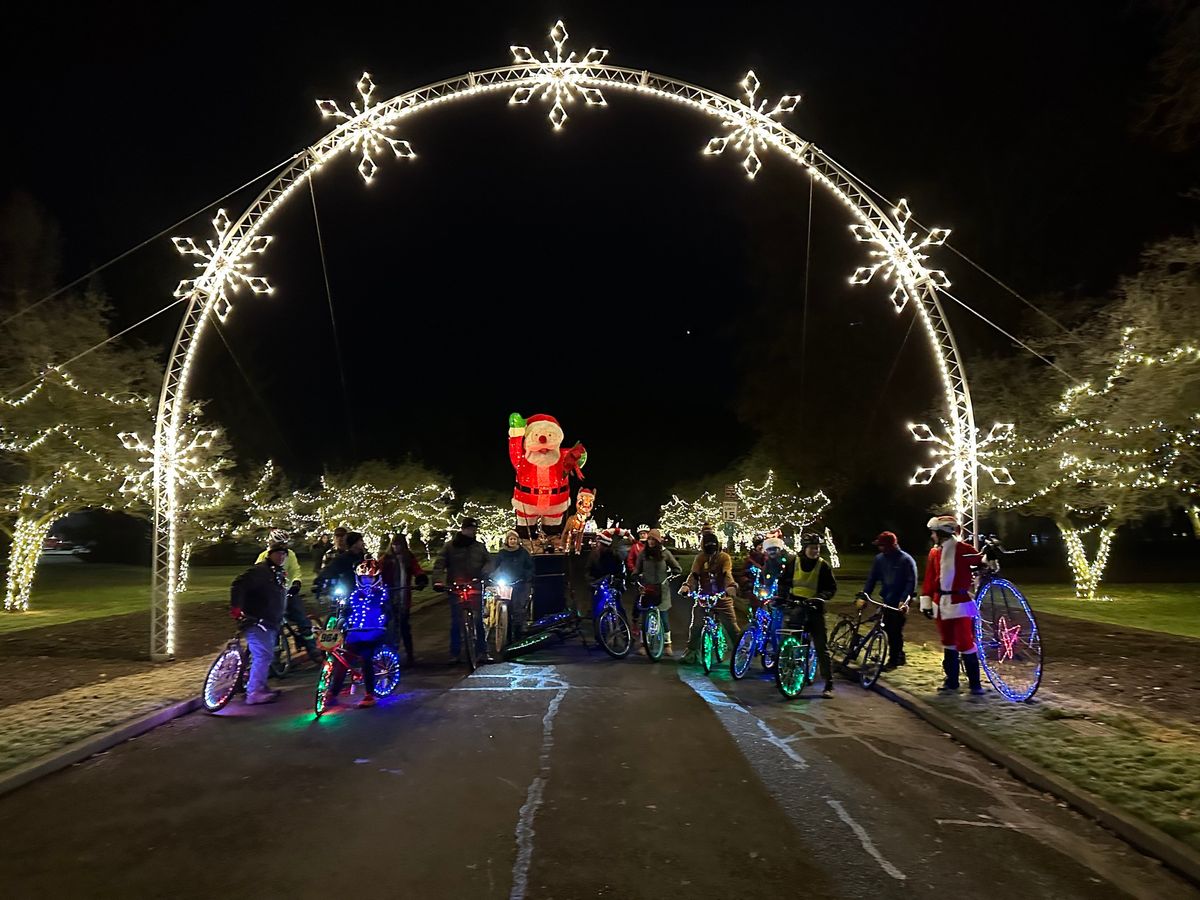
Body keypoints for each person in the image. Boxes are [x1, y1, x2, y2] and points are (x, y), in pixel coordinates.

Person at [919, 515, 985, 695]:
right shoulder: (934, 553)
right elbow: (929, 579)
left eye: (934, 533)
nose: (932, 536)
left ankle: (975, 684)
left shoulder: (964, 549)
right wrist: (926, 601)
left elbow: (981, 563)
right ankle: (951, 681)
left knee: (966, 643)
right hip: (940, 604)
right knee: (948, 643)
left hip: (960, 604)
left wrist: (988, 559)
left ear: (942, 533)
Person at [324, 559, 390, 709]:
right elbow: (347, 612)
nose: (367, 581)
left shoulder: (381, 595)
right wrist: (345, 615)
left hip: (373, 633)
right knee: (341, 661)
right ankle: (333, 693)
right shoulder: (354, 595)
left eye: (370, 578)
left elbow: (387, 613)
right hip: (355, 633)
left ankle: (369, 694)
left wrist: (383, 618)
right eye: (364, 578)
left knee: (366, 658)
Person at [229, 540, 288, 705]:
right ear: (269, 554)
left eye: (284, 554)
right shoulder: (260, 571)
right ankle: (254, 692)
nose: (281, 556)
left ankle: (260, 686)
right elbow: (238, 584)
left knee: (265, 655)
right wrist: (237, 608)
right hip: (256, 621)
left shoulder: (276, 572)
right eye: (278, 553)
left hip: (269, 621)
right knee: (263, 655)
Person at [433, 516, 493, 662]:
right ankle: (455, 653)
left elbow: (490, 561)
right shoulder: (450, 546)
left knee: (478, 620)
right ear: (463, 529)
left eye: (474, 529)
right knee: (456, 621)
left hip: (475, 585)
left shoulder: (479, 547)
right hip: (455, 586)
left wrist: (484, 573)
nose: (472, 532)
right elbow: (439, 564)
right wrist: (438, 581)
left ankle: (482, 651)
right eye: (469, 529)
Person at [256, 529, 319, 663]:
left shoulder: (290, 555)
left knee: (302, 619)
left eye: (285, 544)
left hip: (288, 592)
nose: (283, 548)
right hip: (272, 596)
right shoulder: (263, 556)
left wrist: (296, 583)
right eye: (280, 544)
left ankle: (312, 649)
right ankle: (275, 658)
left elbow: (295, 571)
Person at [788, 533, 838, 697]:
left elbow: (831, 588)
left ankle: (828, 683)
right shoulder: (794, 562)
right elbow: (784, 581)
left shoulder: (823, 566)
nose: (815, 551)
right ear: (805, 548)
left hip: (815, 609)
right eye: (812, 548)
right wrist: (782, 596)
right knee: (791, 643)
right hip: (796, 607)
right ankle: (786, 674)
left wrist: (820, 598)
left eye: (817, 548)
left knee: (821, 646)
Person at [679, 531, 739, 665]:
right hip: (704, 597)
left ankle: (741, 653)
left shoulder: (724, 557)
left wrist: (730, 587)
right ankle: (691, 652)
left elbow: (726, 573)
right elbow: (694, 575)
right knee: (696, 626)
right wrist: (687, 586)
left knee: (732, 628)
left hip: (722, 597)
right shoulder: (700, 558)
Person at [861, 531, 917, 670]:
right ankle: (898, 654)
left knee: (895, 630)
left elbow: (911, 582)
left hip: (899, 601)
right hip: (887, 598)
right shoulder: (879, 559)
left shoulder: (905, 560)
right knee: (887, 628)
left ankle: (894, 659)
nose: (880, 548)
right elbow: (872, 579)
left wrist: (904, 600)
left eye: (882, 546)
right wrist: (864, 595)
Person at [380, 533, 428, 665]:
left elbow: (417, 569)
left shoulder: (408, 558)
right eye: (394, 545)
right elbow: (378, 572)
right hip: (390, 596)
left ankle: (409, 655)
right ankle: (391, 654)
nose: (396, 547)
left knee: (404, 627)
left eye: (399, 545)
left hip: (403, 596)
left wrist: (421, 579)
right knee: (391, 628)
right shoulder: (386, 559)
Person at [634, 528, 681, 654]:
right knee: (644, 618)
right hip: (647, 588)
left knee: (664, 617)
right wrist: (635, 576)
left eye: (653, 539)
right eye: (649, 539)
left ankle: (667, 645)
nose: (650, 542)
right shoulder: (643, 554)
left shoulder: (665, 553)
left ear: (658, 541)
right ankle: (644, 644)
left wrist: (673, 573)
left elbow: (677, 567)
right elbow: (637, 569)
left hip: (662, 589)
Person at [491, 529, 536, 637]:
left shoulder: (523, 552)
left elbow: (530, 566)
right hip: (507, 582)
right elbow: (494, 566)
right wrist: (491, 575)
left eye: (514, 539)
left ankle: (519, 629)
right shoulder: (502, 553)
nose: (513, 541)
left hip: (520, 582)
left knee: (518, 607)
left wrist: (527, 576)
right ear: (507, 540)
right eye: (511, 539)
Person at [315, 530, 367, 600]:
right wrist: (319, 580)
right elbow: (328, 570)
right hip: (347, 591)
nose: (362, 542)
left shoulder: (365, 557)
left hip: (362, 590)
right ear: (354, 543)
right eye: (360, 540)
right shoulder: (342, 558)